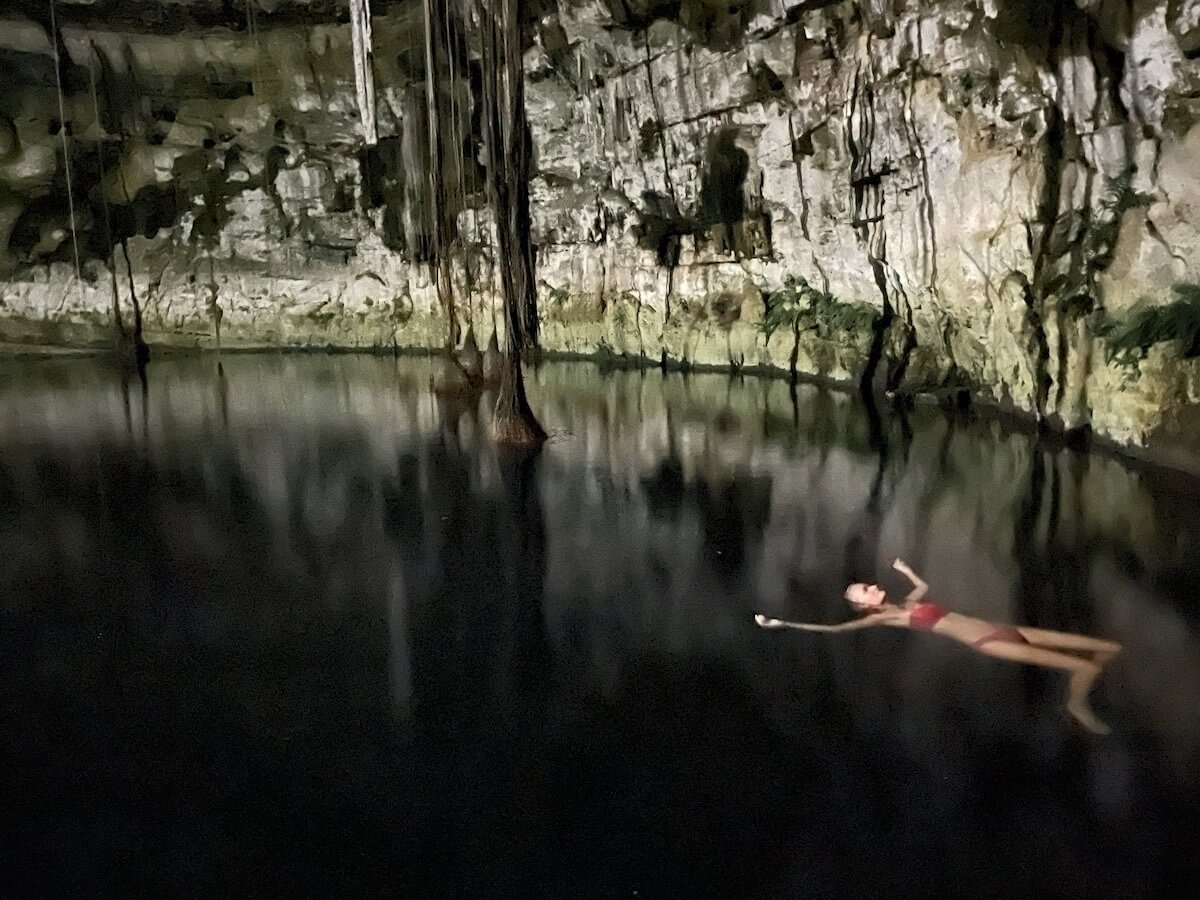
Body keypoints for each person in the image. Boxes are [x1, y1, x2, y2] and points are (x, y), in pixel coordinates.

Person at [755, 559, 1122, 734]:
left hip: (1004, 628)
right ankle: (1076, 703)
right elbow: (836, 630)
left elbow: (923, 587)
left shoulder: (905, 605)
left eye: (864, 584)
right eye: (863, 591)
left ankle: (1111, 690)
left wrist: (906, 572)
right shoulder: (885, 617)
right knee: (1087, 667)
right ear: (865, 606)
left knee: (1107, 647)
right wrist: (782, 623)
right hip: (987, 641)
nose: (868, 586)